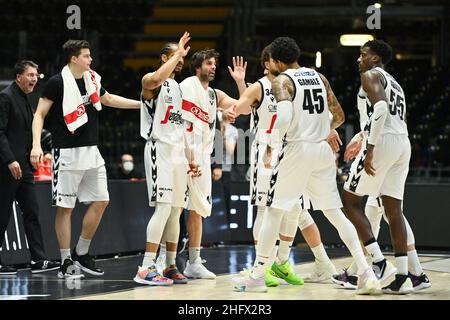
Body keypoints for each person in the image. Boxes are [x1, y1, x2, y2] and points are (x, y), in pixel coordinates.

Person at [231, 37, 381, 294]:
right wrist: (320, 129)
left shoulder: (281, 81)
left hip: (296, 149)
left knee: (274, 210)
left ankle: (257, 275)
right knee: (335, 213)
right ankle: (367, 273)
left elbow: (286, 116)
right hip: (322, 151)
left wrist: (270, 146)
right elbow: (339, 115)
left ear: (276, 61)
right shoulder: (319, 77)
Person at [30, 40, 141, 279]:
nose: (91, 60)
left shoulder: (92, 79)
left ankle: (81, 252)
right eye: (86, 56)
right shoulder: (56, 83)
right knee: (65, 208)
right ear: (74, 58)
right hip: (67, 153)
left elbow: (108, 98)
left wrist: (141, 105)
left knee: (102, 200)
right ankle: (65, 260)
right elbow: (39, 114)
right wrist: (37, 144)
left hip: (92, 151)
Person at [225, 48, 337, 286]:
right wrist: (241, 83)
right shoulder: (261, 85)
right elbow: (244, 109)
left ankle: (279, 264)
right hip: (268, 148)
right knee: (268, 210)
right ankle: (266, 266)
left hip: (290, 149)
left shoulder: (292, 84)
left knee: (294, 210)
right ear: (267, 64)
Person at [341, 40, 425, 294]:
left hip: (384, 142)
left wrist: (371, 148)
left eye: (363, 54)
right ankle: (403, 276)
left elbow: (379, 109)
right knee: (393, 210)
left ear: (375, 59)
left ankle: (378, 262)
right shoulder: (395, 83)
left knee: (350, 201)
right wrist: (361, 136)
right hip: (403, 143)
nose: (359, 59)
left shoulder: (370, 74)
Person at [133, 33, 194, 286]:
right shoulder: (151, 80)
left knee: (176, 210)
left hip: (178, 152)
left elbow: (182, 126)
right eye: (175, 55)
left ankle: (169, 265)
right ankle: (146, 267)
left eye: (183, 56)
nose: (181, 59)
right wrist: (178, 53)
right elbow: (157, 77)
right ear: (164, 57)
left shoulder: (179, 88)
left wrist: (190, 157)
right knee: (163, 207)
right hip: (159, 148)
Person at [180, 49, 236, 279]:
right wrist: (189, 156)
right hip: (181, 153)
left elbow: (244, 104)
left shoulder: (214, 95)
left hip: (202, 157)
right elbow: (180, 124)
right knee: (172, 209)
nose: (213, 67)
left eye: (215, 64)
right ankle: (161, 260)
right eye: (209, 63)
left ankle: (194, 262)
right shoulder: (186, 86)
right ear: (197, 66)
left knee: (197, 210)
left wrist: (240, 83)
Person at [0, 60, 60, 275]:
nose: (35, 78)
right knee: (2, 213)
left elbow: (26, 133)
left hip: (23, 167)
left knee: (32, 212)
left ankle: (38, 260)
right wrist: (9, 160)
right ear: (19, 77)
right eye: (30, 75)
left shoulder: (24, 99)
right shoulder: (6, 97)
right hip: (7, 168)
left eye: (36, 74)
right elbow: (0, 132)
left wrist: (39, 150)